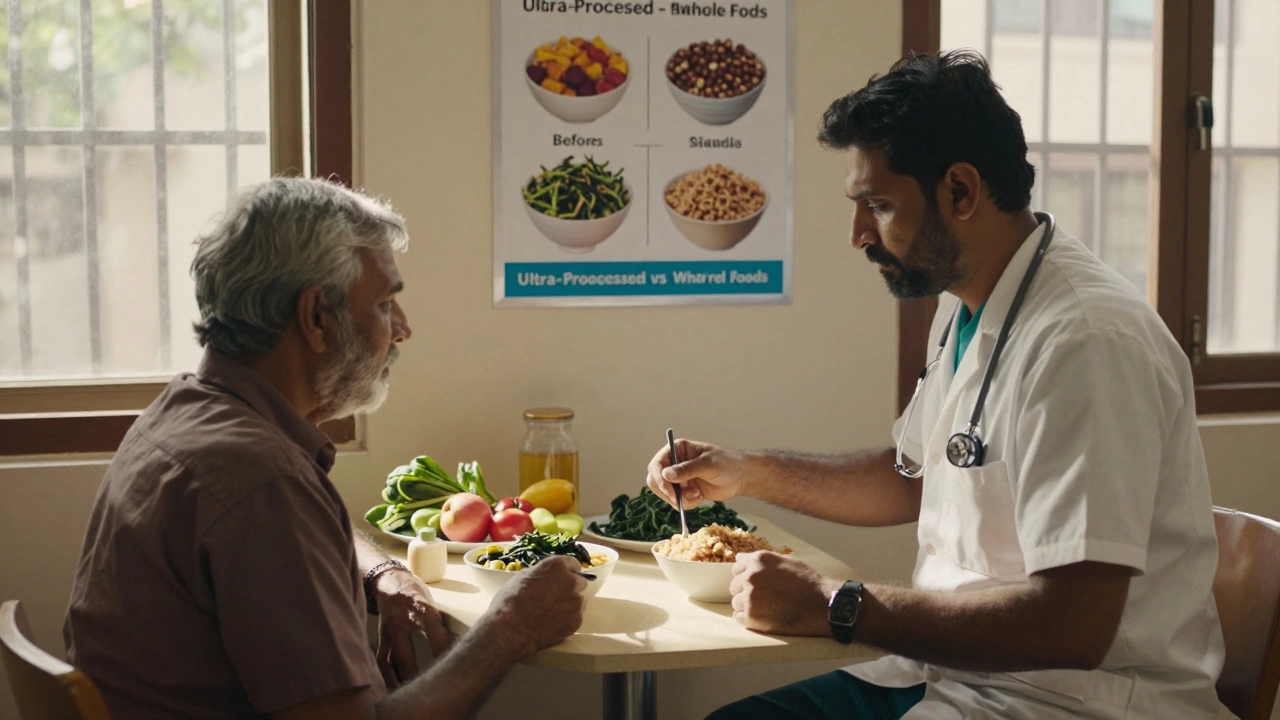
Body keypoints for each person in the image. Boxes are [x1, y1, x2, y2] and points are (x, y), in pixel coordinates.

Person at [647, 51, 1231, 720]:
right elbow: (915, 479)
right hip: (950, 676)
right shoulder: (966, 301)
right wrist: (744, 473)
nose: (858, 234)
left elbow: (1075, 624)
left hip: (1068, 701)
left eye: (880, 205)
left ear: (960, 191)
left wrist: (839, 605)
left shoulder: (1086, 341)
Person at [64, 177, 587, 720]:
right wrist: (510, 629)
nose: (403, 330)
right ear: (316, 317)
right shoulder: (263, 482)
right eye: (385, 305)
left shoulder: (184, 415)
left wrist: (379, 571)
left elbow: (280, 531)